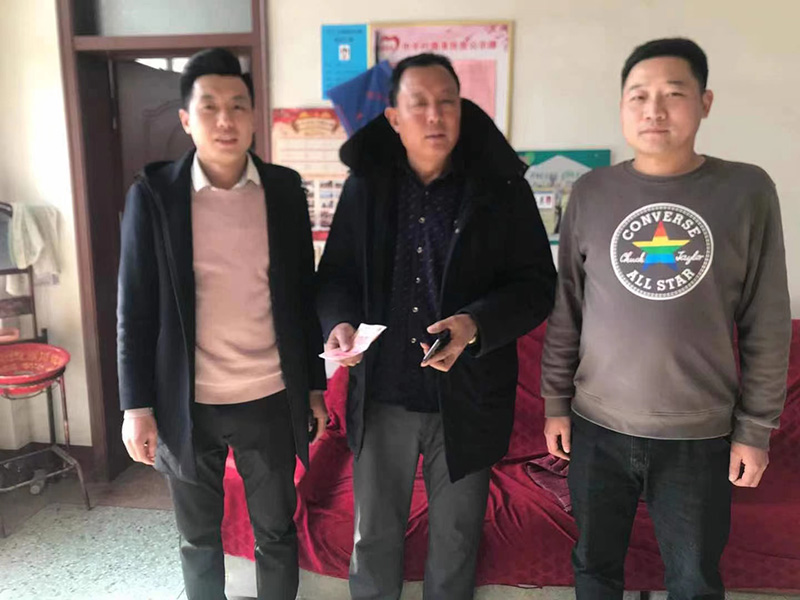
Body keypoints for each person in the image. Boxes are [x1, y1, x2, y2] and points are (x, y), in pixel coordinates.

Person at [541, 38, 791, 599]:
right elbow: (568, 306)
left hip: (700, 436)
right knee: (593, 568)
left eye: (673, 94)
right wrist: (555, 402)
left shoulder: (746, 190)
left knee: (695, 579)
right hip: (596, 427)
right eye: (638, 96)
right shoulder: (592, 191)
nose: (653, 110)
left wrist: (755, 430)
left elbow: (768, 319)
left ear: (705, 102)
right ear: (622, 106)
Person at [316, 53, 556, 600]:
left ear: (462, 109)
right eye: (418, 103)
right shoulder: (367, 187)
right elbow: (336, 277)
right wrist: (339, 323)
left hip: (468, 397)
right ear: (394, 118)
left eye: (447, 101)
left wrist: (475, 323)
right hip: (384, 394)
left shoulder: (500, 189)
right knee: (374, 536)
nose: (434, 115)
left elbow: (536, 287)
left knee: (456, 538)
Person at [117, 48, 328, 600]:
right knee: (198, 539)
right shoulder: (154, 195)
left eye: (238, 105)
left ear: (254, 116)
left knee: (276, 533)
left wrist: (313, 387)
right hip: (186, 402)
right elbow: (134, 308)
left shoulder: (284, 192)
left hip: (269, 398)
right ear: (186, 120)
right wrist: (136, 406)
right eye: (209, 107)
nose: (225, 119)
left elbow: (302, 297)